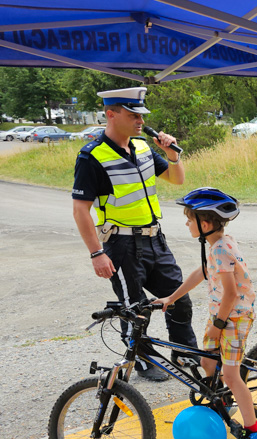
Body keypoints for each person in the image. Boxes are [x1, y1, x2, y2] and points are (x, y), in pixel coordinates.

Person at [71, 86, 196, 382]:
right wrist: (96, 253)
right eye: (133, 114)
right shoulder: (92, 157)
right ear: (111, 114)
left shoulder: (142, 148)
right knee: (135, 311)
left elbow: (177, 180)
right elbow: (80, 210)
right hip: (122, 244)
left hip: (155, 239)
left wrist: (172, 154)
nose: (140, 120)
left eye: (141, 115)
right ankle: (141, 360)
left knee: (178, 299)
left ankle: (184, 353)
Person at [154, 188, 257, 439]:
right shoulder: (215, 245)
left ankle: (254, 430)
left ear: (204, 224)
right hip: (220, 313)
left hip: (234, 317)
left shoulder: (221, 249)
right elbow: (201, 272)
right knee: (207, 361)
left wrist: (217, 324)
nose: (186, 224)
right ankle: (224, 401)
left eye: (189, 219)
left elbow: (231, 293)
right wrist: (172, 297)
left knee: (230, 375)